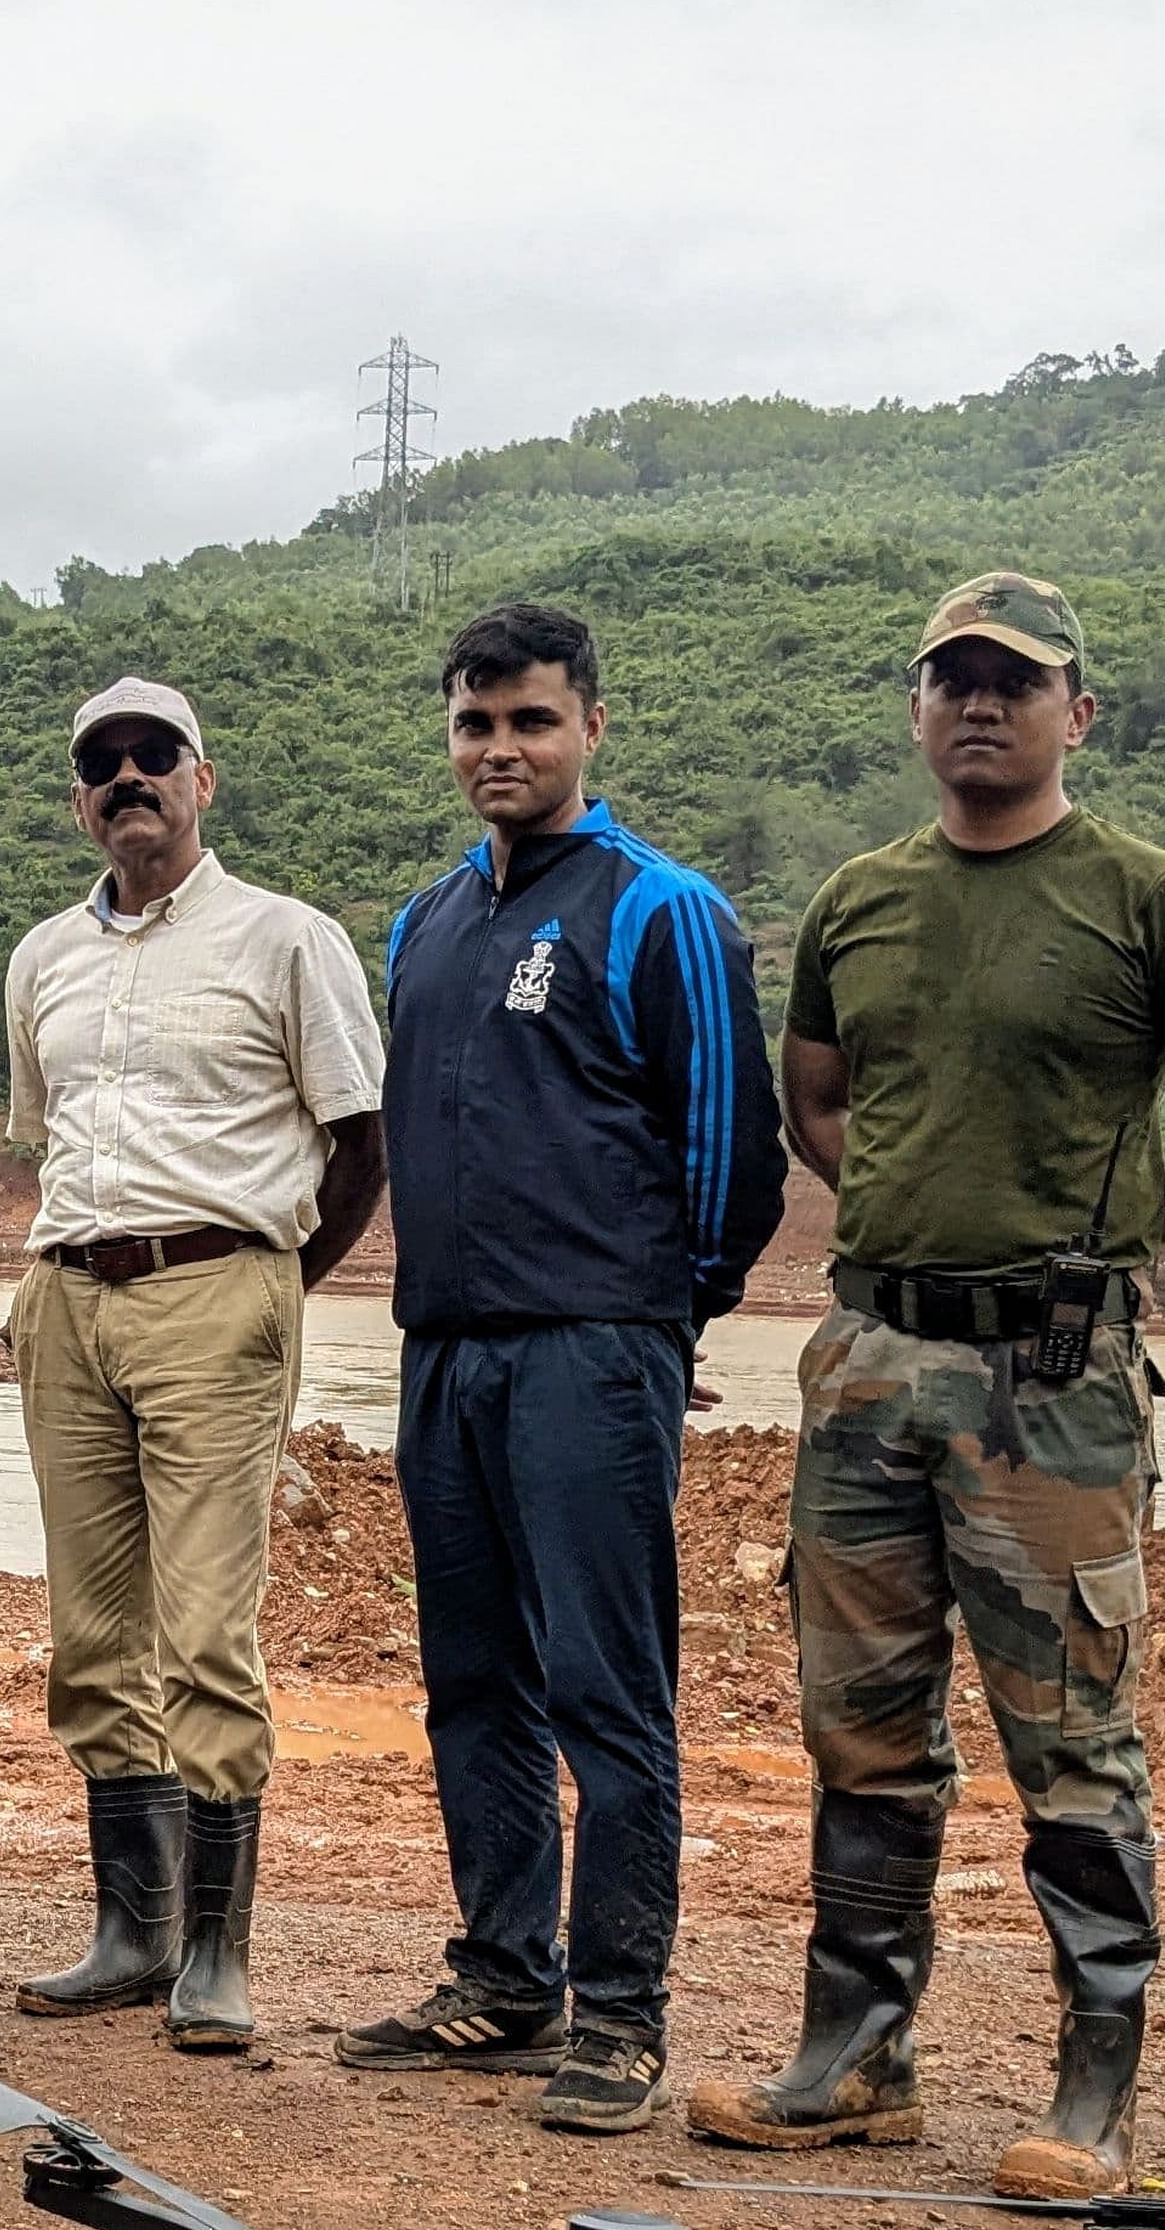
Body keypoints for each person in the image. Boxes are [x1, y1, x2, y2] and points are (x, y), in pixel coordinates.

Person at [690, 572, 1165, 2195]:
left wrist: (1093, 1244)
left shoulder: (1157, 898)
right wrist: (923, 1232)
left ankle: (1091, 2095)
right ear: (916, 708)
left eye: (1015, 683)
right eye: (952, 678)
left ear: (1076, 714)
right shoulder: (863, 902)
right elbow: (822, 1107)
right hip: (873, 1364)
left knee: (1072, 1739)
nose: (980, 704)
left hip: (1053, 1379)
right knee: (864, 1731)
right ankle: (854, 2059)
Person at [340, 602, 785, 2135]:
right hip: (444, 1345)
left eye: (532, 719)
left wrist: (669, 1317)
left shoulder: (661, 909)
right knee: (473, 1680)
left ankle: (622, 2009)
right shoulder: (427, 922)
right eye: (476, 723)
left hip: (593, 1349)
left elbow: (734, 1149)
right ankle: (504, 1973)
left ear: (593, 723)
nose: (501, 749)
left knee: (610, 1684)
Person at [1, 675, 386, 2052]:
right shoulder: (43, 956)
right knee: (93, 1633)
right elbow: (43, 1137)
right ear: (80, 799)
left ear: (202, 779)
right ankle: (132, 1929)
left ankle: (219, 1951)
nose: (128, 781)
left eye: (153, 757)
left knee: (208, 1633)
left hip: (216, 1294)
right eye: (101, 765)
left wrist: (267, 1284)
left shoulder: (287, 940)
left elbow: (359, 1143)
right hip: (66, 1298)